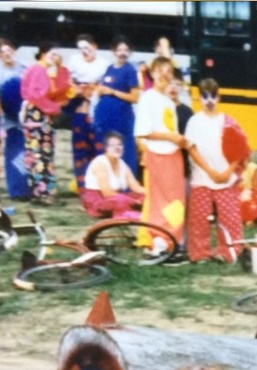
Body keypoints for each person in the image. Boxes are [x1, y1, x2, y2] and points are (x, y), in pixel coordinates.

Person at [184, 79, 249, 262]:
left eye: (213, 95)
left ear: (219, 97)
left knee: (230, 218)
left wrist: (228, 171)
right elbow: (191, 149)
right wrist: (209, 171)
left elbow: (240, 149)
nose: (209, 100)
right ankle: (200, 254)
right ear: (199, 98)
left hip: (226, 179)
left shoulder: (228, 121)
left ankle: (230, 251)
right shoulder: (194, 122)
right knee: (199, 219)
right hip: (201, 178)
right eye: (205, 96)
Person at [133, 56, 187, 250]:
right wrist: (171, 137)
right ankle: (159, 239)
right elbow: (143, 131)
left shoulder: (168, 101)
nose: (165, 74)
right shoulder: (148, 98)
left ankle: (173, 239)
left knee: (176, 199)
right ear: (153, 73)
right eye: (160, 70)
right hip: (158, 154)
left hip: (174, 155)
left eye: (169, 71)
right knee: (160, 199)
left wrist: (178, 140)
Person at [20, 43, 70, 205]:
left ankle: (38, 192)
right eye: (52, 54)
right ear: (43, 53)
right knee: (42, 154)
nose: (54, 58)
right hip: (38, 115)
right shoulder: (39, 70)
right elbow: (37, 96)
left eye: (57, 55)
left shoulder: (38, 69)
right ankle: (44, 193)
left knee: (37, 154)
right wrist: (54, 108)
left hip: (37, 115)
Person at [92, 37, 141, 179]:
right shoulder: (110, 68)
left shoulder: (130, 70)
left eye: (125, 50)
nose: (122, 53)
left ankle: (126, 183)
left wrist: (113, 92)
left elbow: (135, 97)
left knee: (123, 151)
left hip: (121, 120)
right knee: (106, 150)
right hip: (105, 120)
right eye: (119, 50)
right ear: (113, 51)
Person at [0, 40, 29, 199]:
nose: (6, 54)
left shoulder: (25, 69)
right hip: (9, 119)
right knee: (14, 153)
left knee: (29, 152)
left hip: (28, 118)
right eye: (2, 52)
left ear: (13, 50)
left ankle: (31, 187)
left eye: (8, 50)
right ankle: (17, 190)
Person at [66, 34, 105, 188]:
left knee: (97, 147)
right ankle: (82, 184)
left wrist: (93, 90)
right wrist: (78, 90)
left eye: (87, 48)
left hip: (96, 109)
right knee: (80, 148)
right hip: (79, 108)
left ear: (94, 47)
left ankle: (99, 183)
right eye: (81, 48)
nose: (85, 52)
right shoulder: (74, 61)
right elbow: (67, 82)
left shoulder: (103, 64)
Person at [80, 132, 144, 220]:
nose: (117, 148)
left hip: (118, 197)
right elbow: (107, 192)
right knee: (121, 199)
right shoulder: (100, 163)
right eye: (113, 145)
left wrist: (152, 193)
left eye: (120, 145)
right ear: (106, 148)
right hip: (99, 199)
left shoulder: (122, 164)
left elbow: (136, 187)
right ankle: (125, 213)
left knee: (143, 196)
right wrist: (132, 201)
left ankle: (129, 210)